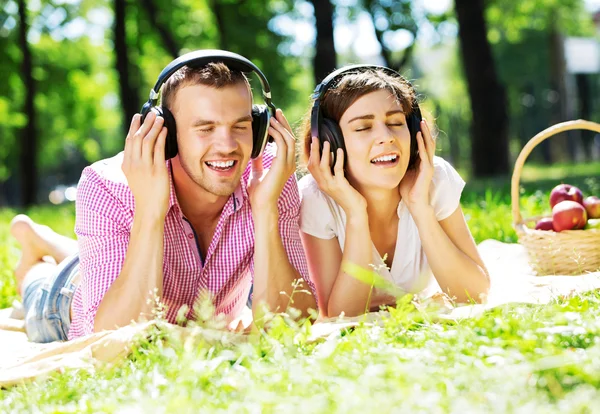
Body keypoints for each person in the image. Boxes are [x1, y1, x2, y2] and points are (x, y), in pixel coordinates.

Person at [9, 50, 317, 343]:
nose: (227, 145)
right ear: (167, 133)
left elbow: (293, 324)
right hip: (69, 296)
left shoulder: (269, 174)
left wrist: (265, 211)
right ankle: (34, 254)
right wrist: (149, 211)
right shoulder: (109, 184)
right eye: (205, 128)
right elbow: (110, 344)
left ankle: (51, 241)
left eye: (241, 125)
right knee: (39, 289)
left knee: (92, 258)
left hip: (128, 270)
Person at [297, 64, 490, 318]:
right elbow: (341, 316)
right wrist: (356, 213)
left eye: (396, 122)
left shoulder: (432, 178)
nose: (386, 136)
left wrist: (420, 207)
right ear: (330, 142)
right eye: (363, 127)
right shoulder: (316, 198)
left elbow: (476, 295)